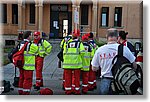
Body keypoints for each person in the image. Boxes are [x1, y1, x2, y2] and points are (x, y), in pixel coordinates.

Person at [91, 28, 137, 95]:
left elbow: (94, 68)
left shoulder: (100, 50)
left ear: (106, 37)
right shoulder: (124, 49)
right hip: (121, 82)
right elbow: (134, 65)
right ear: (118, 37)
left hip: (105, 82)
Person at [63, 29, 85, 95]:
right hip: (76, 64)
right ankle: (76, 90)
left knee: (67, 78)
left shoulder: (67, 43)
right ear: (78, 36)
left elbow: (64, 52)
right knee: (76, 78)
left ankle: (68, 90)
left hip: (67, 64)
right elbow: (82, 52)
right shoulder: (79, 43)